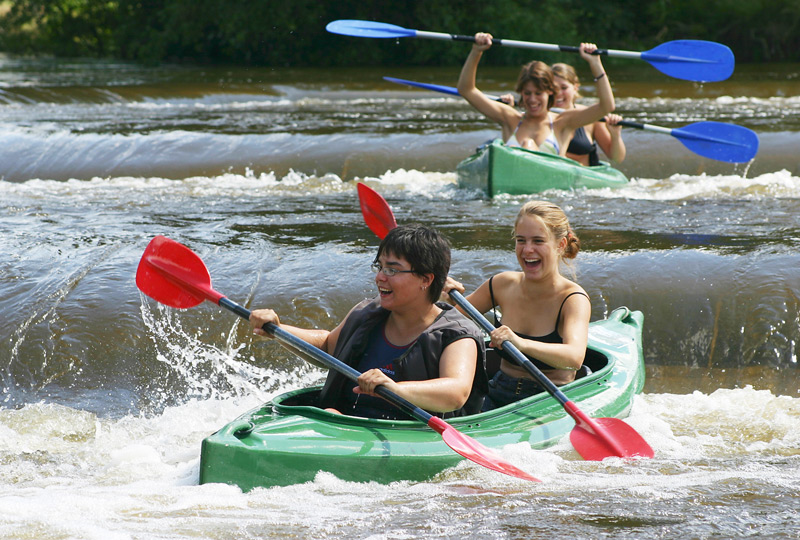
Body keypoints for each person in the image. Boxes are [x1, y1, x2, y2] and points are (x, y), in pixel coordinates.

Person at [249, 224, 488, 420]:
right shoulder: (367, 314)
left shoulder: (456, 334)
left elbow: (456, 392)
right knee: (330, 412)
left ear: (425, 279)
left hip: (411, 434)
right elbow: (327, 347)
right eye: (380, 266)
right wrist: (278, 330)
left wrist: (394, 388)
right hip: (345, 422)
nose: (380, 277)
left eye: (392, 270)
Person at [442, 201, 591, 410]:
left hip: (551, 397)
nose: (527, 250)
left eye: (538, 241)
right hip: (498, 391)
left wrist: (519, 343)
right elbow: (446, 323)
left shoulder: (573, 298)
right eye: (521, 240)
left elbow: (574, 358)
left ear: (560, 244)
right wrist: (439, 296)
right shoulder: (501, 284)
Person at [458, 32, 616, 157]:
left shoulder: (564, 122)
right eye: (527, 93)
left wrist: (595, 63)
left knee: (528, 144)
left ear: (549, 92)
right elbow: (466, 90)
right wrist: (476, 52)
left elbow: (607, 106)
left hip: (546, 195)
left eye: (538, 93)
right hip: (511, 194)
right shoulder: (509, 118)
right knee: (526, 143)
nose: (532, 99)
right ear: (521, 93)